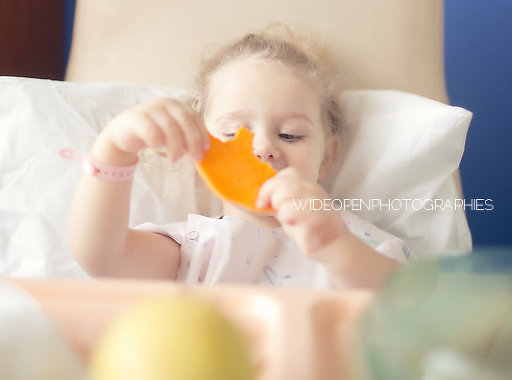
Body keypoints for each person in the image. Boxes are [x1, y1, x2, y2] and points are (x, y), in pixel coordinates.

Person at [68, 27, 413, 289]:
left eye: (290, 134)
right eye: (233, 134)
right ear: (198, 152)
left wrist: (335, 246)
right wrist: (114, 149)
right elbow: (101, 256)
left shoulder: (361, 244)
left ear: (327, 158)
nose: (262, 148)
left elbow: (411, 307)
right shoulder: (193, 249)